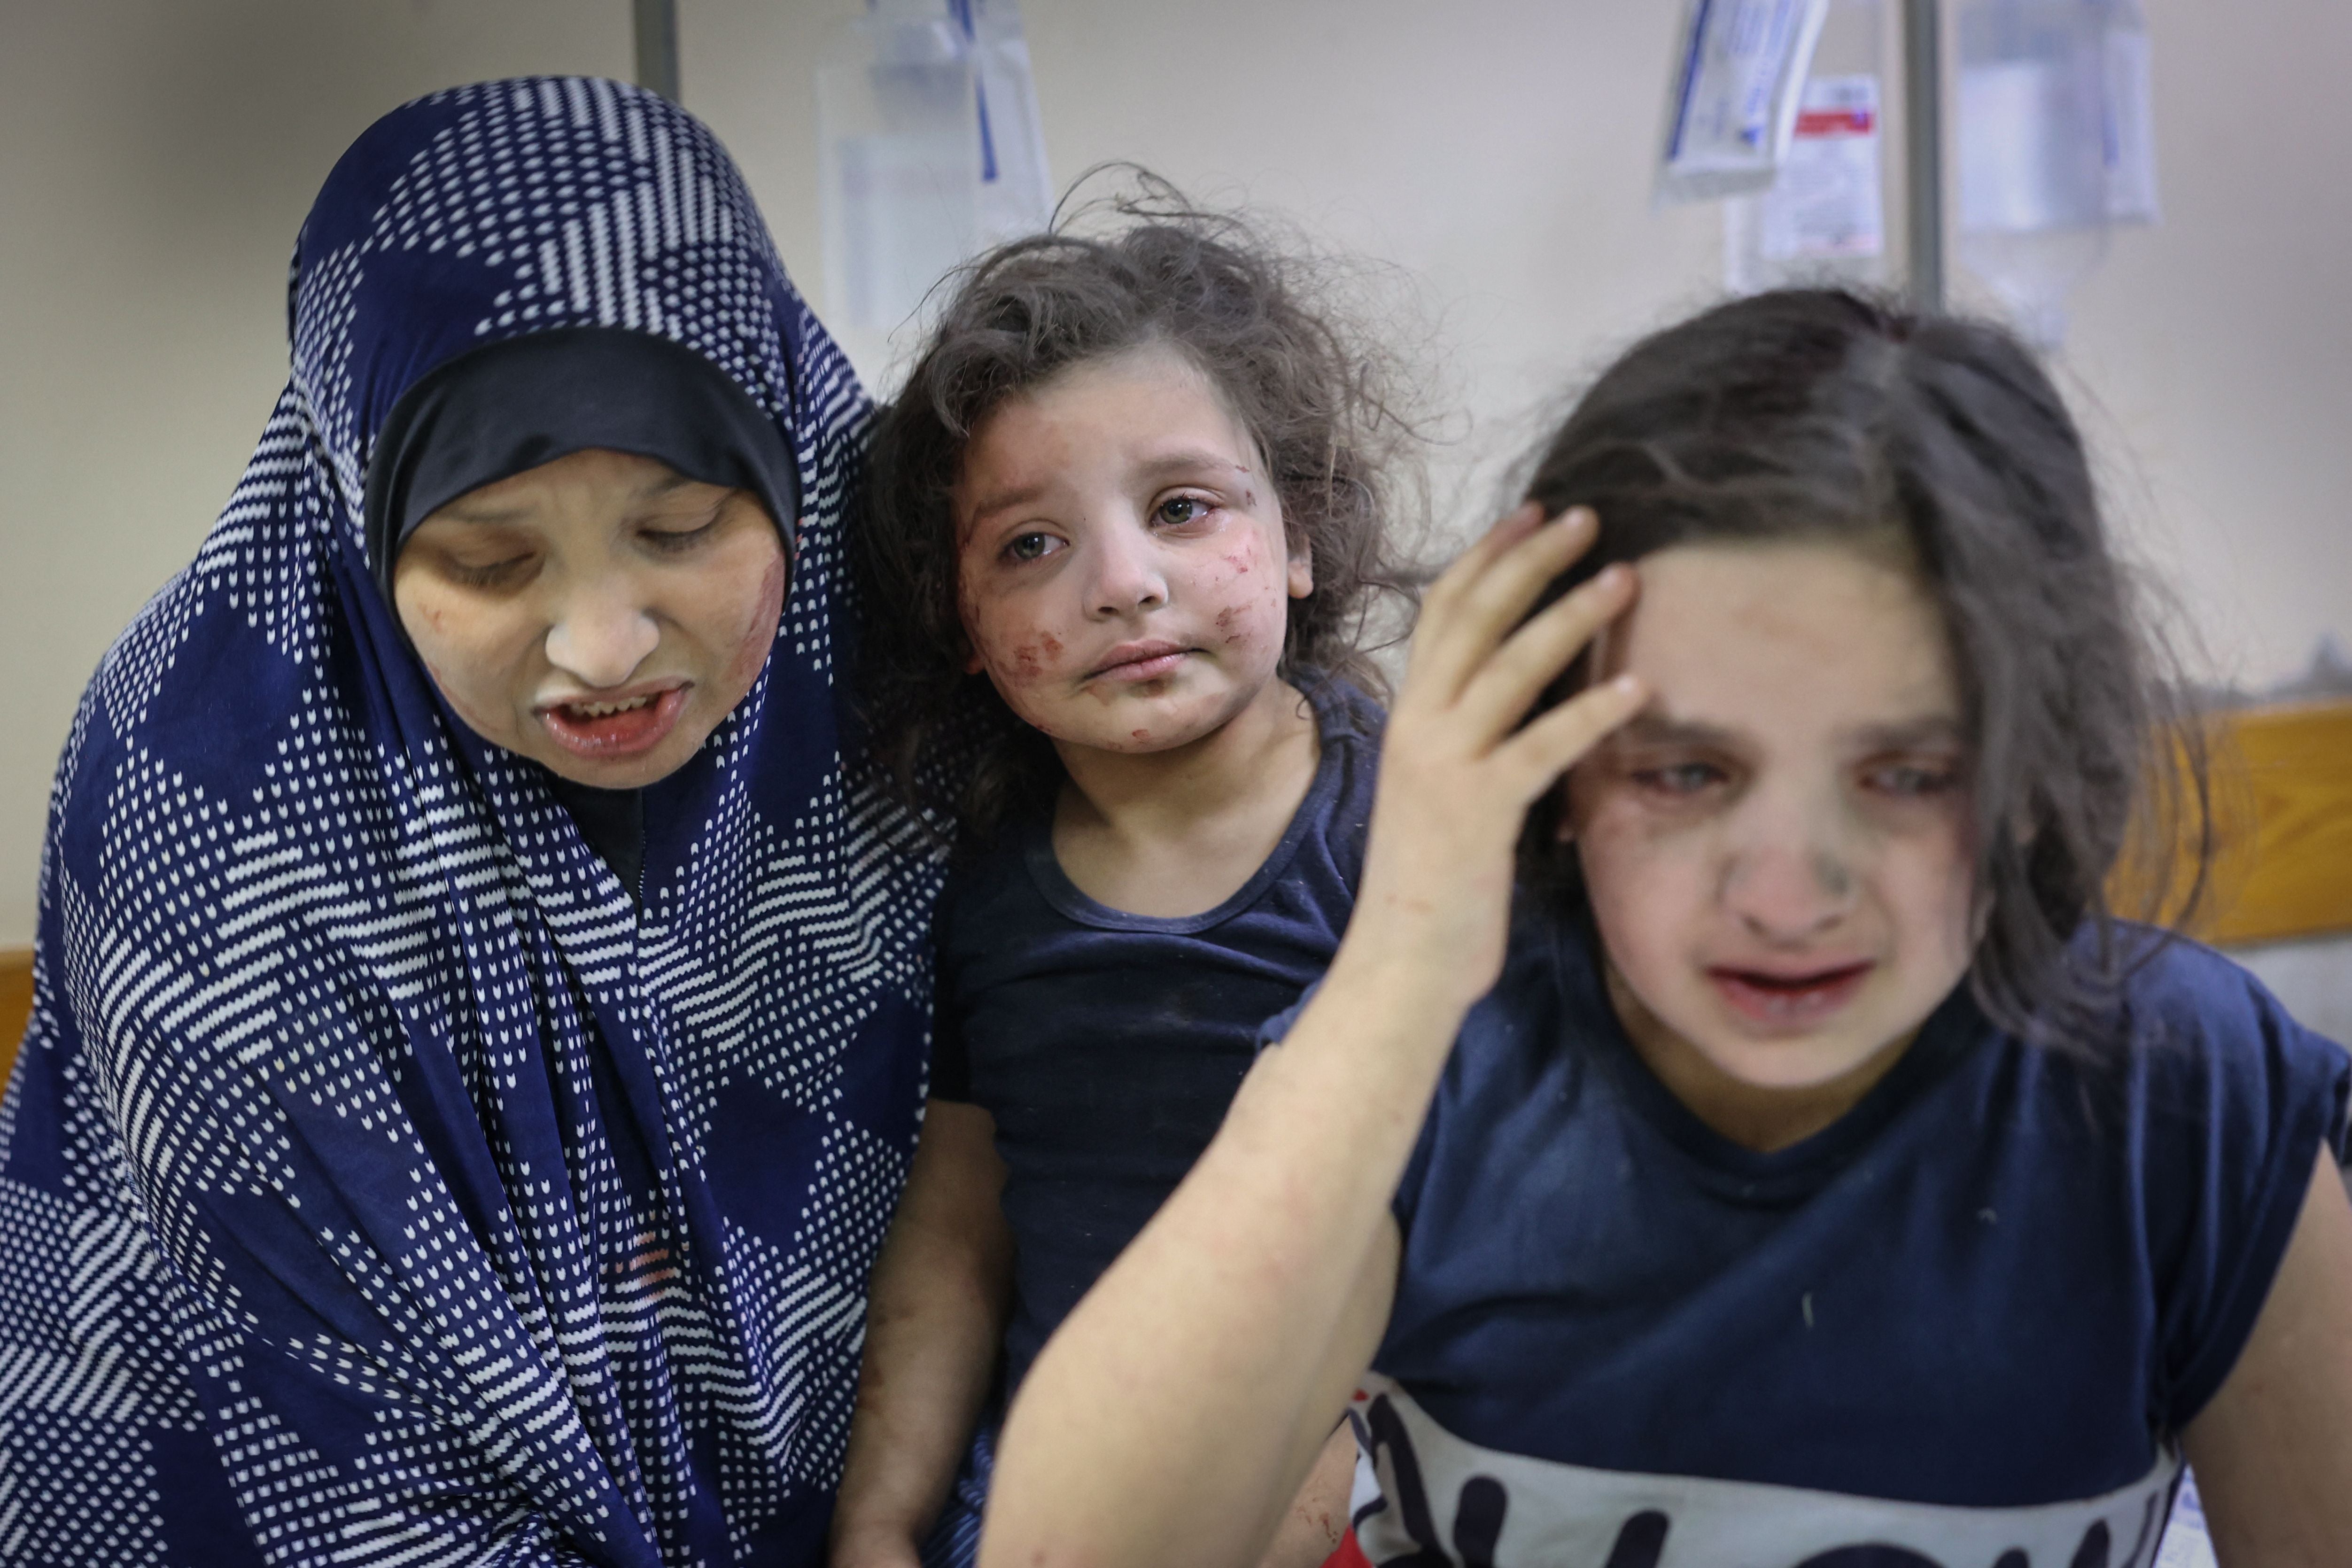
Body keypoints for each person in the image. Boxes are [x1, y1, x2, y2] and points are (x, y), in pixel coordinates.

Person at [977, 289, 2352, 1567]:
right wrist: (1399, 973)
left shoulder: (2182, 1095)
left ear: (2037, 775)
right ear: (1563, 780)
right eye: (1685, 773)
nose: (1786, 894)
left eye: (1907, 775)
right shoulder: (1421, 1076)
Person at [0, 78, 945, 1567]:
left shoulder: (916, 643)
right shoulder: (204, 789)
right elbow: (358, 1447)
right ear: (361, 514)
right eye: (490, 562)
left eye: (682, 528)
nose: (604, 647)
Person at [828, 203, 1419, 1568]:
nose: (1124, 583)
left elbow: (1461, 1227)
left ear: (1298, 536)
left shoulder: (1412, 831)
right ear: (964, 629)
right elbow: (959, 1232)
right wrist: (879, 1519)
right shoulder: (982, 883)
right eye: (1029, 545)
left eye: (1181, 508)